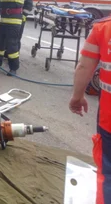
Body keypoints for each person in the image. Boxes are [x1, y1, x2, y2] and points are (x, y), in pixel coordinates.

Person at [69, 17, 111, 204]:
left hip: (109, 121)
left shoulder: (103, 28)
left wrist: (77, 97)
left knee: (109, 174)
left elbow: (85, 66)